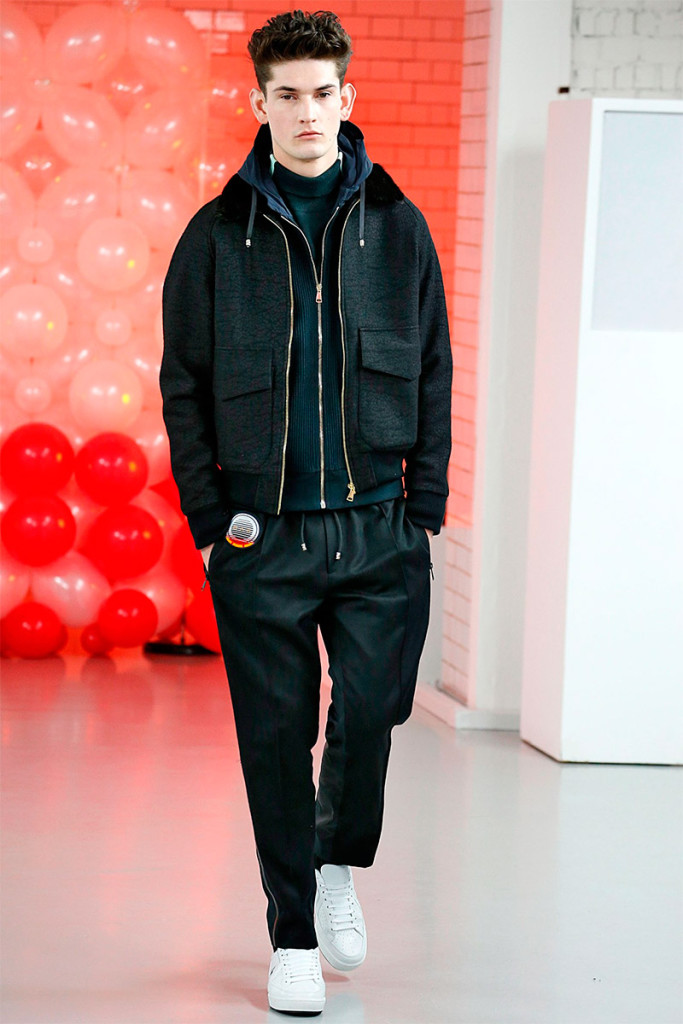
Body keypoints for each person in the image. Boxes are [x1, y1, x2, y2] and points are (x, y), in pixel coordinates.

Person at [160, 9, 452, 1015]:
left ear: (346, 97)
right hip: (263, 535)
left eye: (321, 92)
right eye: (285, 95)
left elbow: (431, 366)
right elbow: (183, 386)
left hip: (377, 526)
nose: (306, 113)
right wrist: (212, 523)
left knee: (373, 710)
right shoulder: (214, 236)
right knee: (274, 739)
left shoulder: (398, 227)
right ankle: (291, 936)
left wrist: (424, 505)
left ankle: (333, 861)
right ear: (259, 104)